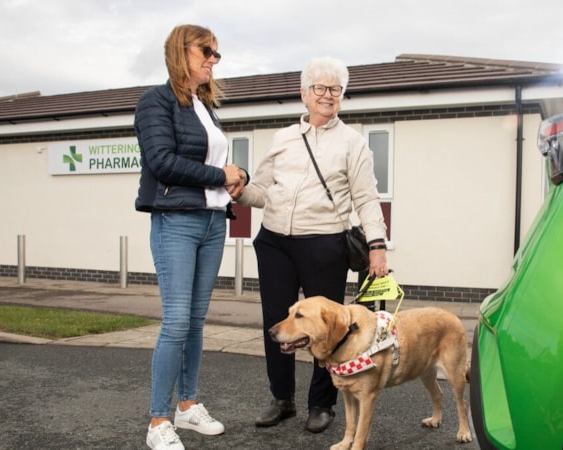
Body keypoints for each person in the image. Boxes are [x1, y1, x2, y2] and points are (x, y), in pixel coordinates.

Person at [235, 56, 389, 434]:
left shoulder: (353, 143)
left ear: (342, 96)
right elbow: (263, 191)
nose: (327, 95)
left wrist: (377, 245)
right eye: (319, 88)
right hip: (274, 242)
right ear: (304, 94)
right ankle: (282, 399)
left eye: (335, 89)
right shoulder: (284, 138)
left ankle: (322, 404)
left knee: (328, 328)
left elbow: (367, 198)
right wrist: (239, 190)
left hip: (324, 243)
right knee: (278, 322)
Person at [134, 24, 248, 450]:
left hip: (213, 221)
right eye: (207, 51)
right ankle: (158, 421)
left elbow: (215, 163)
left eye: (217, 53)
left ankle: (187, 407)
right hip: (176, 222)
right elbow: (162, 161)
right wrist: (222, 175)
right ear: (181, 51)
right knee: (177, 320)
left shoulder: (204, 106)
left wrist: (239, 177)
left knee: (196, 322)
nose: (213, 60)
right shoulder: (155, 101)